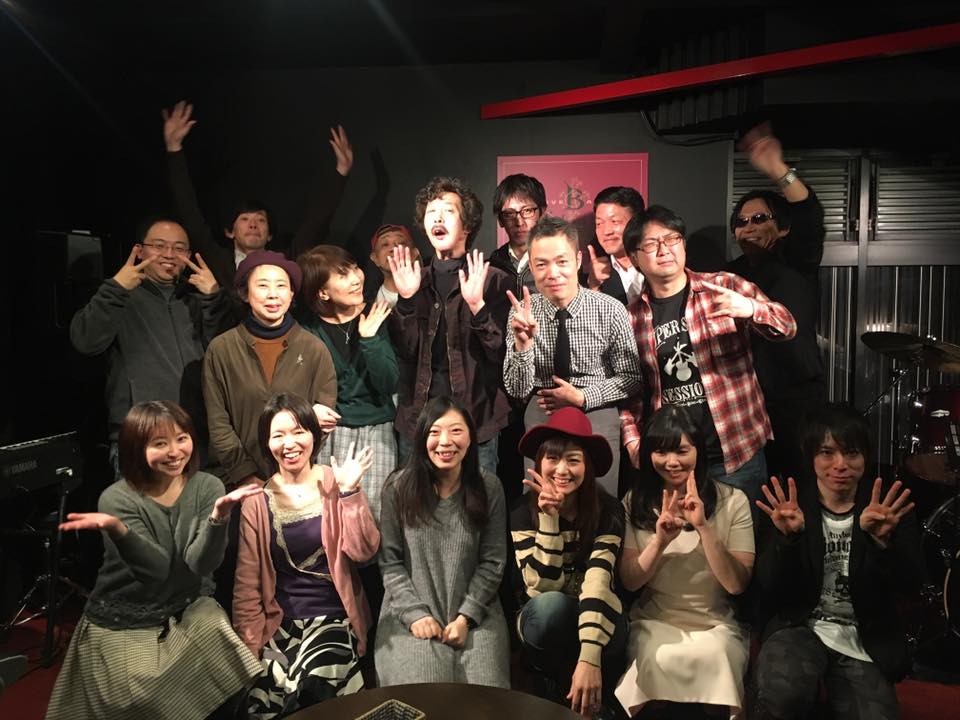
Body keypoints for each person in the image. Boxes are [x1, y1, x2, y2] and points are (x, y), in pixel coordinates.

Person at [45, 401, 263, 720]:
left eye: (181, 438)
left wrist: (218, 518)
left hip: (185, 607)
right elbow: (158, 571)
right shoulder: (117, 498)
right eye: (160, 443)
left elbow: (200, 564)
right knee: (136, 699)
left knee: (226, 660)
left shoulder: (206, 486)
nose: (174, 452)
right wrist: (120, 531)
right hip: (126, 616)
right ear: (136, 449)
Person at [753, 403, 922, 720]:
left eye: (852, 453)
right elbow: (769, 585)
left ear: (866, 456)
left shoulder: (887, 507)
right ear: (811, 457)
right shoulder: (791, 505)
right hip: (800, 625)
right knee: (783, 693)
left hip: (863, 634)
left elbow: (911, 584)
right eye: (827, 453)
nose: (840, 465)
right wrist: (788, 540)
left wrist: (881, 543)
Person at [620, 205, 797, 506]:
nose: (664, 250)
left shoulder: (724, 286)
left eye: (672, 239)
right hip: (673, 461)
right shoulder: (630, 318)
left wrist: (751, 309)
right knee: (679, 536)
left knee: (740, 536)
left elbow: (788, 326)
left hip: (736, 452)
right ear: (635, 258)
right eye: (651, 244)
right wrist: (632, 441)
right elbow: (630, 392)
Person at [233, 393, 380, 719]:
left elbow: (365, 551)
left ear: (314, 435)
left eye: (298, 432)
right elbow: (246, 588)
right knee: (261, 704)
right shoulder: (256, 502)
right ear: (267, 443)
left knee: (315, 683)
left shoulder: (334, 481)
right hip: (281, 626)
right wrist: (251, 651)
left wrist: (350, 493)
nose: (289, 443)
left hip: (334, 619)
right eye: (278, 435)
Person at [616, 406, 754, 719]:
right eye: (661, 452)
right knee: (654, 657)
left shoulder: (734, 501)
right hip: (654, 623)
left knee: (718, 657)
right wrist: (659, 542)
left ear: (698, 452)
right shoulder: (634, 502)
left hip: (716, 624)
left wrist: (704, 527)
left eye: (681, 451)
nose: (672, 462)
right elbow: (630, 581)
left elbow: (736, 584)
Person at [70, 215, 230, 471]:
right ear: (140, 250)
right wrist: (115, 289)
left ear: (188, 255)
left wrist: (214, 298)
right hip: (141, 437)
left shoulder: (197, 300)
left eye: (179, 248)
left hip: (194, 436)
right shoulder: (119, 296)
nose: (169, 254)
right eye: (159, 245)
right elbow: (85, 341)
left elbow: (226, 357)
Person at [375, 397, 509, 687]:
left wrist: (466, 617)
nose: (445, 441)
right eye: (434, 432)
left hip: (477, 614)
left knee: (487, 699)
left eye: (456, 431)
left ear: (471, 437)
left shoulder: (489, 487)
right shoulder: (398, 488)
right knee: (426, 693)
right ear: (421, 438)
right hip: (409, 613)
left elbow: (493, 561)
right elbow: (390, 562)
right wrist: (415, 615)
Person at [504, 215, 642, 496]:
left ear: (578, 260)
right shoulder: (522, 312)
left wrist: (583, 397)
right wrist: (523, 345)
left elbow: (632, 378)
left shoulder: (610, 309)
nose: (553, 273)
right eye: (541, 264)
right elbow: (516, 389)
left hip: (597, 410)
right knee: (541, 499)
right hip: (543, 407)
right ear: (531, 267)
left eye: (561, 261)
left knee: (599, 502)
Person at [387, 176, 513, 474]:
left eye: (448, 211)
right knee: (413, 501)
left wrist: (478, 307)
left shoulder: (493, 280)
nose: (438, 218)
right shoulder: (414, 280)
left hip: (476, 421)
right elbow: (404, 351)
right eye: (431, 212)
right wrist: (406, 300)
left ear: (466, 226)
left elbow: (503, 355)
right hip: (419, 422)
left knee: (477, 501)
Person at [161, 100, 354, 293]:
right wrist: (174, 149)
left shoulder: (285, 260)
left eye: (261, 220)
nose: (253, 225)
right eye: (245, 219)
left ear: (270, 234)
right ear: (230, 232)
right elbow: (188, 211)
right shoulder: (216, 259)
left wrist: (341, 172)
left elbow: (317, 222)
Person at [511, 407, 626, 719]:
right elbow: (541, 588)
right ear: (539, 463)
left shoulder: (608, 510)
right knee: (549, 609)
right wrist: (549, 520)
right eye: (553, 458)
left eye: (573, 460)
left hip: (594, 606)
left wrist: (589, 658)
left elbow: (599, 581)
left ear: (587, 466)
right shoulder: (522, 512)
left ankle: (592, 698)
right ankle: (553, 687)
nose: (562, 469)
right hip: (547, 614)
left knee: (615, 626)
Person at [726, 124, 827, 480]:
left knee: (801, 485)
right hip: (748, 403)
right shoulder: (729, 274)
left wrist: (778, 170)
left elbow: (809, 214)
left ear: (782, 228)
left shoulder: (797, 260)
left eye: (759, 218)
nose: (748, 227)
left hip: (797, 399)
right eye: (741, 222)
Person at [203, 250, 337, 488]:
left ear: (292, 293)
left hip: (297, 479)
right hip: (238, 482)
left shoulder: (313, 348)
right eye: (263, 285)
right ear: (245, 293)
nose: (273, 294)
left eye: (281, 286)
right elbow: (218, 422)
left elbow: (323, 418)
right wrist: (244, 474)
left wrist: (292, 465)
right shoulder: (222, 349)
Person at [296, 245, 398, 522]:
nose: (356, 278)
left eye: (354, 268)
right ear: (323, 292)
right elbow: (297, 386)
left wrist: (370, 340)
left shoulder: (378, 314)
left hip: (377, 429)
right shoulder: (308, 331)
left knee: (374, 517)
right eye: (343, 275)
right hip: (332, 432)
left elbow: (389, 383)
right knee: (331, 517)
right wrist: (312, 409)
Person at [585, 186, 646, 304]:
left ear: (637, 222)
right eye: (599, 223)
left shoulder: (657, 261)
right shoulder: (594, 277)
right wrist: (593, 286)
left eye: (615, 221)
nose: (606, 231)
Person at [489, 173, 546, 295]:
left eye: (527, 211)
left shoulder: (558, 262)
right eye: (509, 214)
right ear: (500, 220)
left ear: (542, 213)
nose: (519, 222)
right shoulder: (491, 267)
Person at [368, 223, 420, 308]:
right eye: (385, 244)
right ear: (375, 258)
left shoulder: (433, 293)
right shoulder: (367, 303)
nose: (393, 248)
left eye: (401, 243)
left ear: (414, 254)